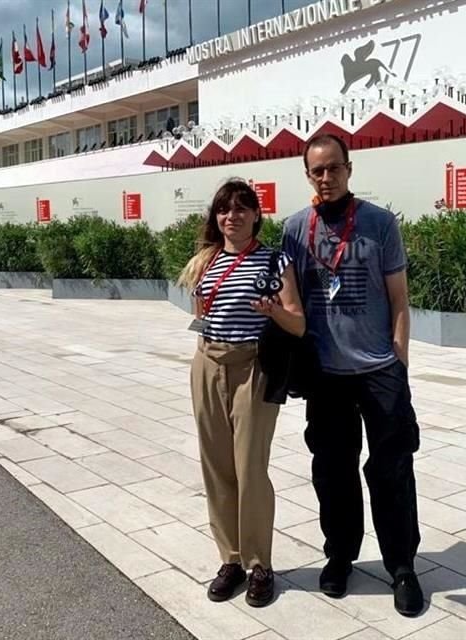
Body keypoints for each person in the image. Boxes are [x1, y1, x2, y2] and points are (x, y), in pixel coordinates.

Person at [280, 134, 424, 616]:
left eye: (334, 168)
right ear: (308, 175)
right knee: (333, 471)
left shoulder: (380, 224)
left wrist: (399, 361)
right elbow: (290, 303)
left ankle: (401, 566)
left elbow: (400, 300)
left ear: (349, 168)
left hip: (379, 369)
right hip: (327, 373)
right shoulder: (295, 229)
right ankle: (340, 555)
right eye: (317, 171)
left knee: (392, 470)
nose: (326, 178)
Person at [179, 178, 305, 608]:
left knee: (250, 468)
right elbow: (203, 314)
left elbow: (298, 323)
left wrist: (274, 311)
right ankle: (230, 559)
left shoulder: (274, 260)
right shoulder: (205, 260)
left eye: (241, 208)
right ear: (216, 218)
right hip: (208, 365)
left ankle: (259, 564)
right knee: (216, 467)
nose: (231, 216)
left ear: (255, 215)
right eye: (223, 210)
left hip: (253, 367)